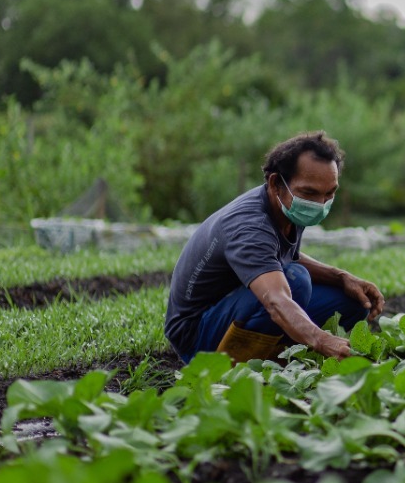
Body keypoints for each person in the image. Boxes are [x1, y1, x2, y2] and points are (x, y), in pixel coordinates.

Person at [164, 131, 385, 364]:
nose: (320, 204)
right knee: (295, 281)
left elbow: (280, 258)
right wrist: (321, 340)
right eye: (309, 192)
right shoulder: (250, 226)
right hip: (197, 334)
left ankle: (280, 352)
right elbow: (275, 299)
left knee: (352, 302)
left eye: (329, 193)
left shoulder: (287, 207)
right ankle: (237, 364)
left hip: (238, 306)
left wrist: (342, 277)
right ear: (276, 183)